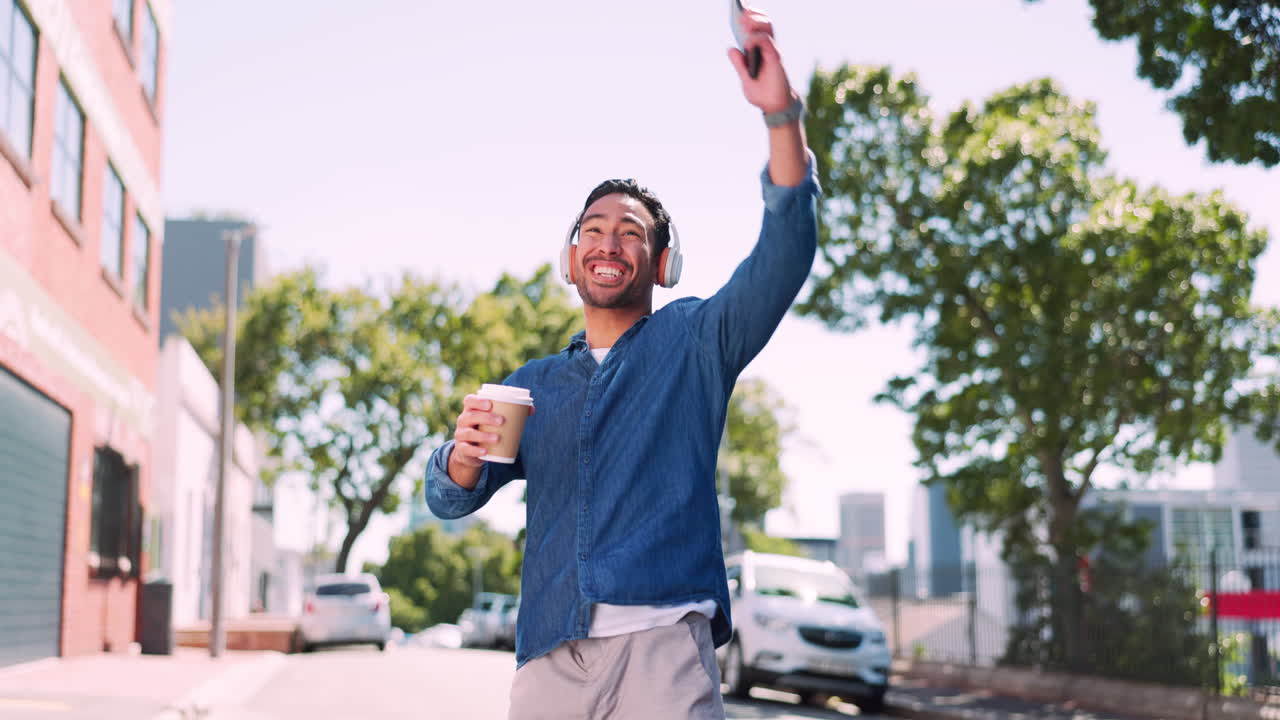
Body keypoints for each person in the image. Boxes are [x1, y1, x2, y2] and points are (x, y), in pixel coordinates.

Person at [425, 7, 818, 719]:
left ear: (662, 262)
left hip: (663, 651)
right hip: (550, 653)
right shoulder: (531, 385)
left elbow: (786, 249)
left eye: (631, 233)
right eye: (593, 231)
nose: (609, 243)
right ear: (572, 259)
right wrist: (459, 458)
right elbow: (453, 497)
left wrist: (781, 116)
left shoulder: (697, 341)